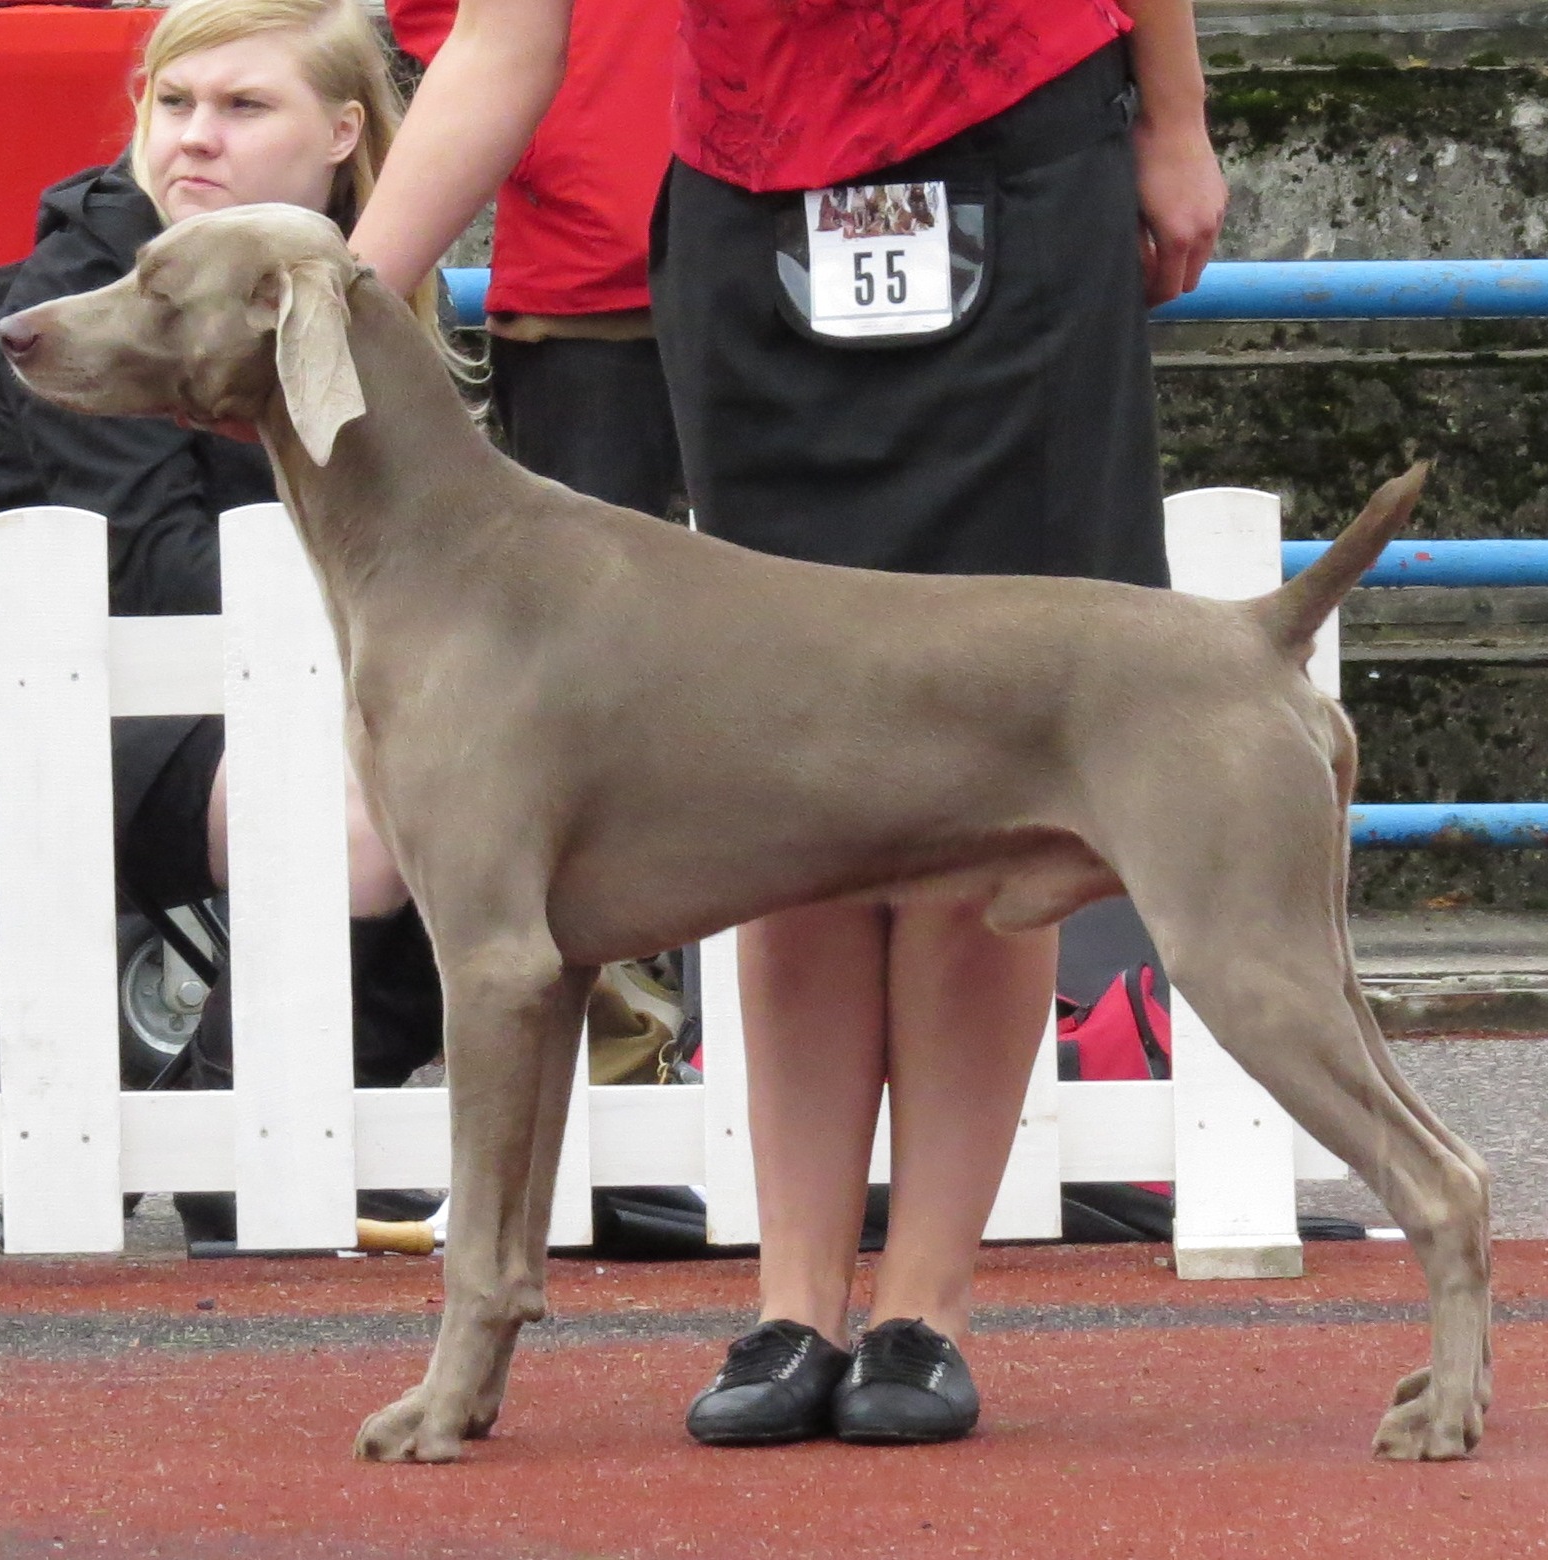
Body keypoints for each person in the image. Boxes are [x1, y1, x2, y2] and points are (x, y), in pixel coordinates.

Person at [350, 0, 1226, 1444]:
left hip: (1019, 155)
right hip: (749, 209)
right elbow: (505, 43)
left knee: (982, 773)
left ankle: (924, 1312)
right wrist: (338, 293)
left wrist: (1173, 121)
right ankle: (790, 1306)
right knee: (777, 782)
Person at [0, 0, 449, 1244]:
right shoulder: (90, 276)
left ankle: (254, 1119)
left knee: (495, 787)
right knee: (375, 812)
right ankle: (247, 1135)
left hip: (253, 698)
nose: (193, 138)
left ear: (343, 132)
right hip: (1, 708)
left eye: (244, 108)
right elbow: (155, 569)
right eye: (171, 102)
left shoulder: (360, 283)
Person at [385, 0, 682, 520]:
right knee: (584, 591)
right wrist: (547, 127)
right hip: (583, 293)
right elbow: (438, 17)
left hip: (804, 262)